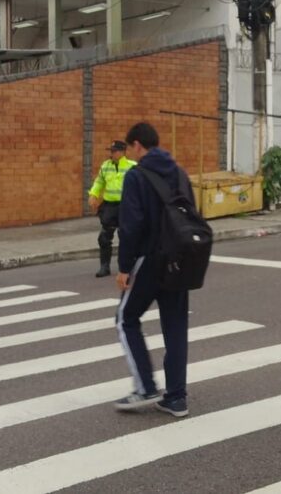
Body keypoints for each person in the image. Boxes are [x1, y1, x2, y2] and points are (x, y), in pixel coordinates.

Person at [113, 122, 193, 418]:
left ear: (137, 145)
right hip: (180, 261)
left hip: (149, 260)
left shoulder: (137, 176)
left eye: (130, 149)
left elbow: (130, 226)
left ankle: (145, 386)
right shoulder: (180, 173)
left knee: (125, 318)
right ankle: (176, 398)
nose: (130, 155)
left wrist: (123, 268)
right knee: (175, 326)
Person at [88, 140, 135, 278]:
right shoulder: (106, 166)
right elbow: (99, 182)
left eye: (114, 151)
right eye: (111, 151)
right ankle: (104, 266)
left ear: (122, 152)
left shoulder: (132, 167)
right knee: (104, 237)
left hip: (126, 206)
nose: (112, 153)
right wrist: (93, 194)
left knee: (126, 237)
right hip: (109, 206)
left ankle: (125, 267)